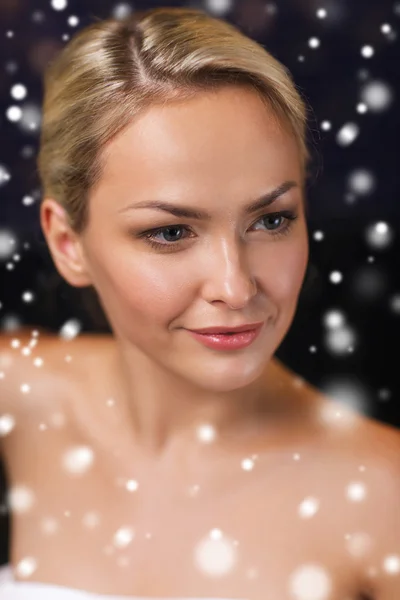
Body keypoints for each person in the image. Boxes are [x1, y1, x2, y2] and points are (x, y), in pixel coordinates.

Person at [0, 6, 399, 600]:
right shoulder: (20, 399)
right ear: (68, 243)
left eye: (270, 220)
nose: (236, 288)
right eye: (170, 233)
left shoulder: (382, 498)